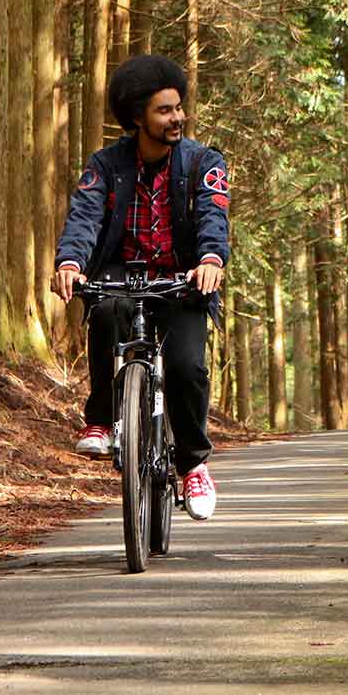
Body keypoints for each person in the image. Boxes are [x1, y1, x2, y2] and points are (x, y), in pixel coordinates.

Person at [52, 55, 229, 521]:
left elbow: (214, 217)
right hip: (121, 276)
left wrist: (211, 260)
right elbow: (84, 219)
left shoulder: (202, 163)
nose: (177, 118)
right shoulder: (106, 166)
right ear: (137, 118)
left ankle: (193, 464)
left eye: (178, 108)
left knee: (186, 366)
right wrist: (70, 262)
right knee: (106, 311)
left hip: (183, 282)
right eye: (164, 111)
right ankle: (101, 418)